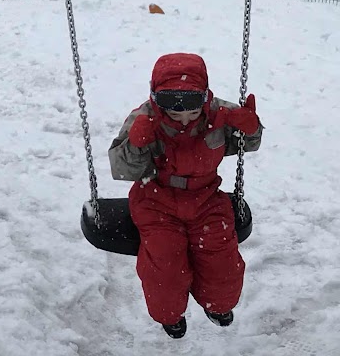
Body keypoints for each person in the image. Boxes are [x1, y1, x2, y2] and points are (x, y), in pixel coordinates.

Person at [109, 52, 263, 340]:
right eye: (175, 114)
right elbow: (120, 168)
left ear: (204, 99)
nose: (184, 120)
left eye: (192, 113)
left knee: (221, 258)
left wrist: (251, 128)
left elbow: (246, 143)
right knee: (165, 262)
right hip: (156, 199)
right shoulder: (143, 118)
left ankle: (218, 304)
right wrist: (135, 145)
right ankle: (169, 315)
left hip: (206, 198)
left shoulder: (219, 113)